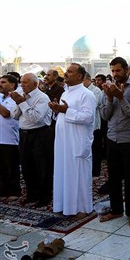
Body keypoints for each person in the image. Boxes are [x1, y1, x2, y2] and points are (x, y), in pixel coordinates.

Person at [98, 57, 130, 227]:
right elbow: (104, 116)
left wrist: (121, 98)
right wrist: (110, 99)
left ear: (126, 70)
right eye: (112, 71)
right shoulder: (107, 89)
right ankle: (116, 210)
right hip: (112, 138)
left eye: (118, 70)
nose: (115, 74)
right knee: (114, 177)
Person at [49, 63, 97, 217]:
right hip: (64, 141)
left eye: (70, 71)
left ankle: (82, 208)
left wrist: (65, 110)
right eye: (66, 71)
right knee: (63, 172)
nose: (66, 74)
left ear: (80, 76)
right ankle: (64, 205)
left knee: (79, 175)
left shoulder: (86, 94)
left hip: (77, 141)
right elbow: (63, 114)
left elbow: (89, 117)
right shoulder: (65, 92)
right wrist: (57, 110)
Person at [10, 73, 53, 207]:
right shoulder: (21, 96)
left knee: (42, 166)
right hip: (24, 134)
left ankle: (44, 196)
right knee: (27, 166)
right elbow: (14, 116)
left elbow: (36, 118)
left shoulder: (42, 98)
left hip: (40, 134)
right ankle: (31, 194)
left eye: (26, 82)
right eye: (21, 82)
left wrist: (22, 103)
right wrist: (19, 102)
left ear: (35, 84)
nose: (22, 85)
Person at [0, 75, 21, 202]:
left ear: (12, 85)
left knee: (11, 167)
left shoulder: (15, 98)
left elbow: (6, 113)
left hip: (10, 139)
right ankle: (2, 190)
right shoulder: (1, 98)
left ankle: (14, 191)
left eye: (3, 82)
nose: (0, 84)